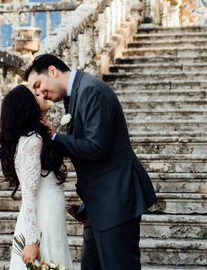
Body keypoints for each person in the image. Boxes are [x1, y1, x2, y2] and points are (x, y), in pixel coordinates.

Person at [26, 54, 156, 270]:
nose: (40, 93)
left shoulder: (90, 91)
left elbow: (96, 147)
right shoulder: (77, 93)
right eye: (35, 91)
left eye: (38, 85)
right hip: (98, 205)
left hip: (116, 199)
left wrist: (55, 138)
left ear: (52, 71)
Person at [0, 84, 74, 269]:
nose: (41, 93)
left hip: (50, 214)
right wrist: (32, 241)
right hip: (42, 218)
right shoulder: (33, 141)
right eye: (35, 94)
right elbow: (29, 194)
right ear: (27, 105)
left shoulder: (36, 137)